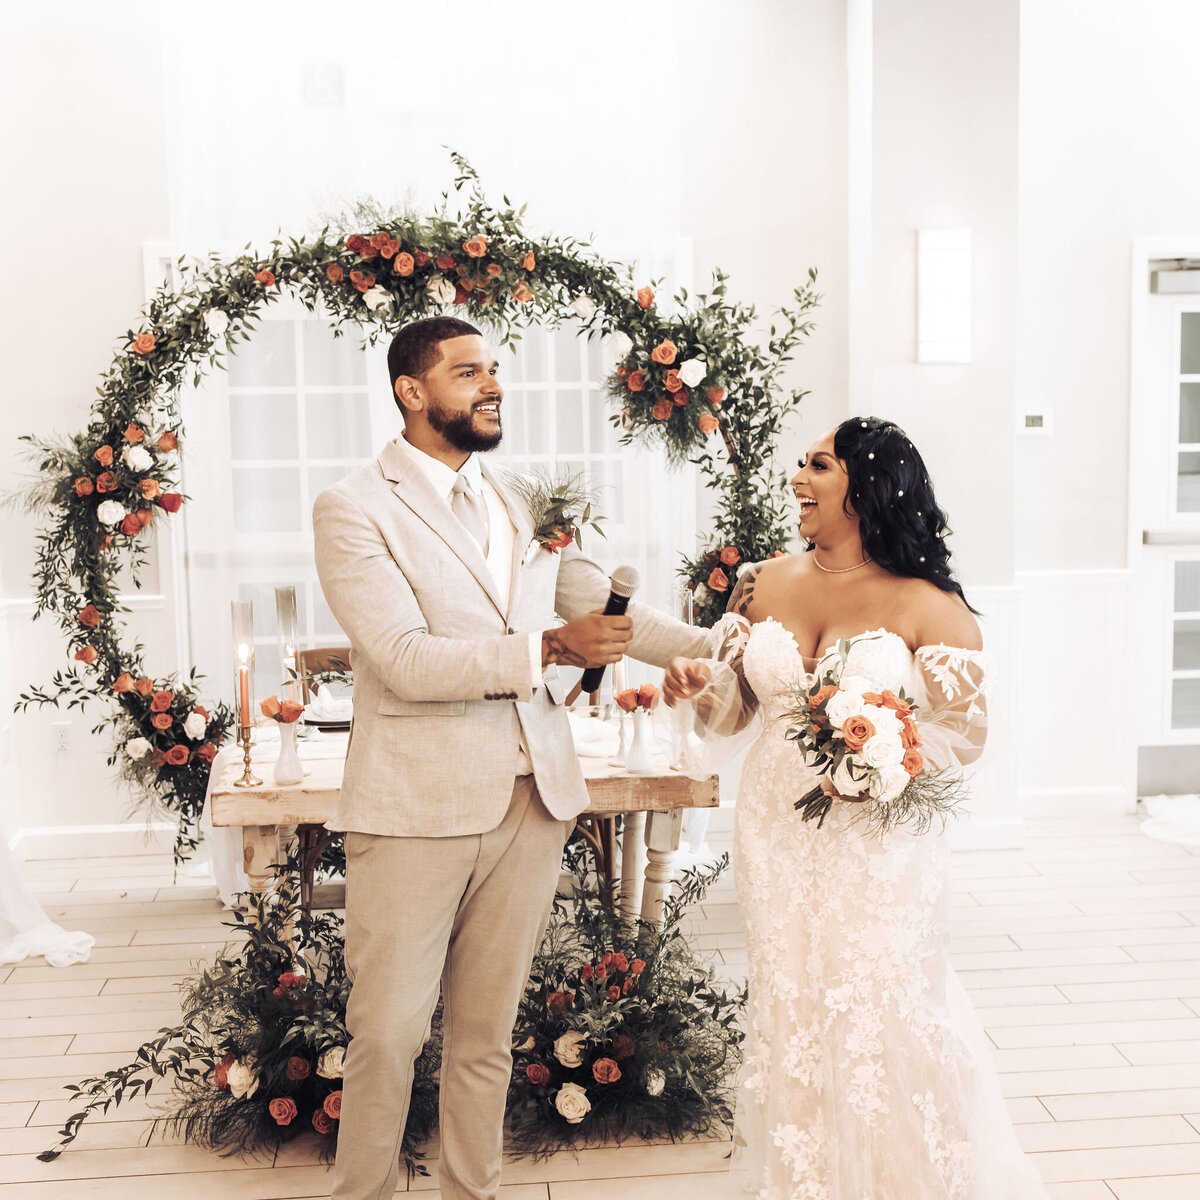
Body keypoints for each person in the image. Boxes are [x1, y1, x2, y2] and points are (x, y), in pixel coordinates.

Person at [312, 316, 708, 1200]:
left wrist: (716, 647)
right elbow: (406, 659)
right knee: (386, 1032)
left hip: (533, 800)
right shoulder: (353, 506)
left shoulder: (523, 499)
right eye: (466, 372)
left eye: (494, 369)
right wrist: (550, 652)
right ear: (413, 393)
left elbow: (605, 612)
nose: (491, 385)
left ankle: (471, 1190)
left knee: (486, 1036)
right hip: (414, 807)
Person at [663, 417, 1047, 1200]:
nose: (798, 478)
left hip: (878, 840)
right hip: (774, 830)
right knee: (791, 1004)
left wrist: (888, 756)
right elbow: (733, 714)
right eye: (799, 464)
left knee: (882, 1005)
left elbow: (966, 733)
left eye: (819, 465)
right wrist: (696, 689)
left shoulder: (925, 602)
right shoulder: (762, 583)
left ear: (868, 486)